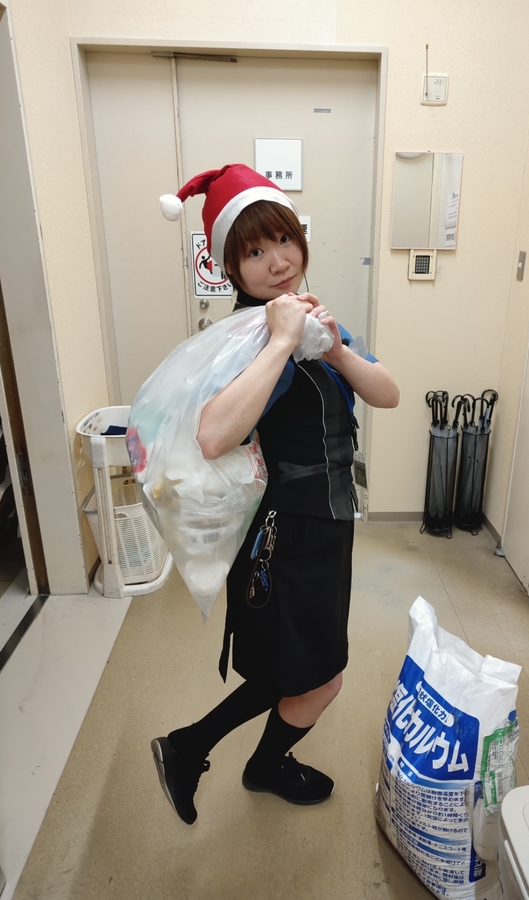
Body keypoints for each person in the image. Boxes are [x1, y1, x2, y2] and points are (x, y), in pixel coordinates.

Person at [151, 164, 399, 825]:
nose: (277, 261)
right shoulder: (249, 337)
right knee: (319, 674)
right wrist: (283, 340)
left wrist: (334, 348)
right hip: (285, 535)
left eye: (284, 240)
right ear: (229, 269)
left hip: (325, 525)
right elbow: (213, 435)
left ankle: (216, 755)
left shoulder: (311, 319)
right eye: (255, 252)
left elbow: (387, 393)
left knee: (297, 667)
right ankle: (207, 751)